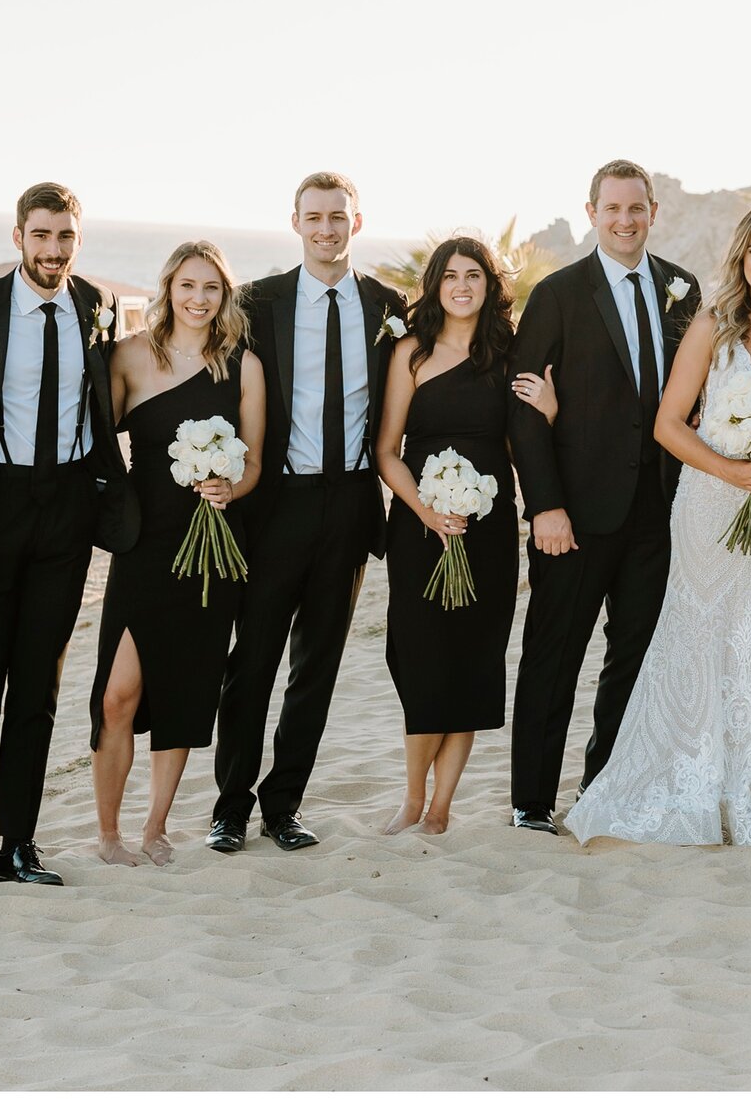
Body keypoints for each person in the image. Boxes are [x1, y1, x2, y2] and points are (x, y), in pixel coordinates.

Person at [566, 207, 751, 846]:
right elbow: (668, 424)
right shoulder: (713, 326)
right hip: (710, 508)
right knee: (705, 627)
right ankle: (701, 775)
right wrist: (729, 471)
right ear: (740, 259)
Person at [506, 160, 702, 834]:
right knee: (553, 657)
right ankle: (531, 802)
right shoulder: (559, 294)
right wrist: (545, 507)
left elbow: (692, 392)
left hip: (658, 512)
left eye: (636, 209)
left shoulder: (683, 289)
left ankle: (604, 788)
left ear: (653, 211)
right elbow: (525, 412)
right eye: (612, 209)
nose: (625, 221)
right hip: (576, 515)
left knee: (634, 659)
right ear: (591, 212)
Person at [210, 172, 403, 853]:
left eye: (338, 217)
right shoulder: (257, 302)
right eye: (315, 217)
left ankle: (283, 805)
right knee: (252, 661)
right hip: (274, 508)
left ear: (358, 222)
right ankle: (229, 807)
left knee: (316, 668)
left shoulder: (387, 304)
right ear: (295, 222)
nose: (327, 228)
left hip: (349, 505)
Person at [0, 183, 123, 888]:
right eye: (41, 236)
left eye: (65, 238)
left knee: (39, 681)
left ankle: (20, 842)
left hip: (67, 507)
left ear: (78, 240)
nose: (53, 251)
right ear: (17, 235)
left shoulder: (95, 306)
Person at [92, 243, 264, 865]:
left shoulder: (242, 365)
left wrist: (230, 485)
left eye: (212, 289)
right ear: (167, 289)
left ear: (225, 296)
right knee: (117, 694)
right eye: (188, 285)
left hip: (211, 550)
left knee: (186, 691)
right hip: (144, 545)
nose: (198, 298)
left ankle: (154, 828)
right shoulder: (129, 357)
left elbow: (255, 465)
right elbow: (96, 447)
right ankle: (108, 834)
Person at [374, 236, 525, 836]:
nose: (462, 286)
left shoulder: (509, 354)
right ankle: (413, 797)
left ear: (490, 288)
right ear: (435, 285)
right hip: (418, 529)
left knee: (472, 662)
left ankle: (441, 809)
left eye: (475, 276)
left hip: (488, 530)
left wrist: (555, 407)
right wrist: (426, 512)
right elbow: (387, 451)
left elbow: (523, 446)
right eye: (451, 276)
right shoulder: (410, 352)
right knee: (422, 661)